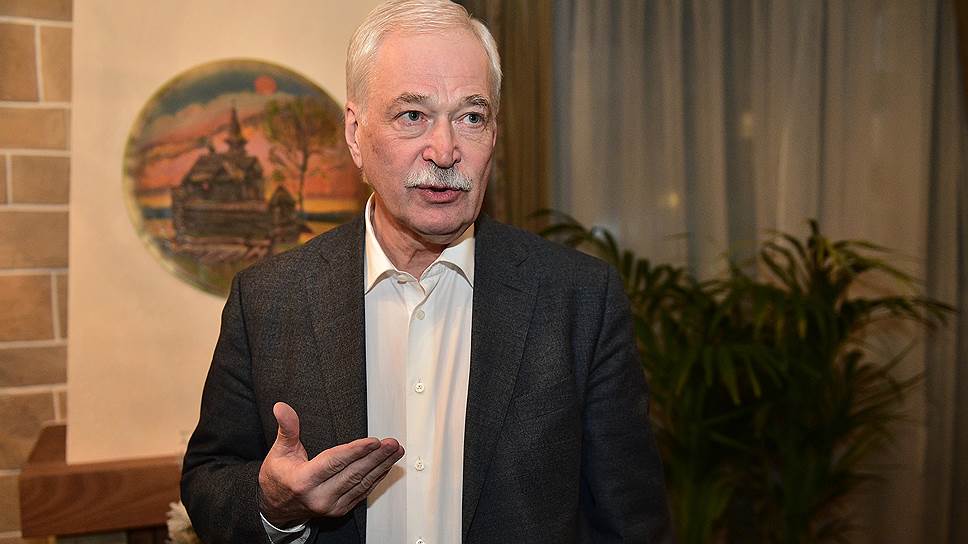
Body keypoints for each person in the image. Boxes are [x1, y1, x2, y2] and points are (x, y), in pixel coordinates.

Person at [180, 1, 671, 542]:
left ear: (494, 135)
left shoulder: (580, 299)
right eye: (413, 115)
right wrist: (275, 503)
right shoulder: (269, 299)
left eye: (471, 117)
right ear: (355, 134)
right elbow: (209, 481)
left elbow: (631, 522)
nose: (445, 150)